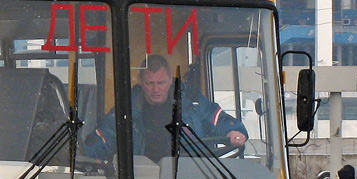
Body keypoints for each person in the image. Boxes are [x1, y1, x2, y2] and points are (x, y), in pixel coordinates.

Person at [85, 54, 247, 163]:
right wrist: (87, 150)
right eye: (150, 83)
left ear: (170, 79)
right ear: (140, 81)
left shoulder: (193, 103)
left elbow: (219, 120)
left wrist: (234, 132)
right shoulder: (125, 109)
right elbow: (104, 136)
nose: (156, 89)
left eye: (161, 83)